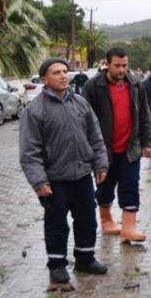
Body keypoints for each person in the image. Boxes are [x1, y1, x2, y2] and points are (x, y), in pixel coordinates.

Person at [19, 58, 109, 284]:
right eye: (56, 72)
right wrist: (39, 182)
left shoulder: (80, 103)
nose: (62, 76)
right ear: (44, 79)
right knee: (57, 224)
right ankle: (57, 265)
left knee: (87, 220)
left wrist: (100, 164)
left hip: (82, 176)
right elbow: (29, 151)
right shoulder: (35, 110)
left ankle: (85, 259)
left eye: (65, 72)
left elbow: (95, 137)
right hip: (54, 180)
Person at [82, 47, 151, 243]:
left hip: (130, 148)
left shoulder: (136, 85)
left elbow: (145, 114)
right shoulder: (92, 87)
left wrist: (148, 142)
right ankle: (106, 221)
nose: (122, 70)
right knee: (105, 187)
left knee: (130, 186)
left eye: (125, 65)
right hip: (104, 150)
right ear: (107, 64)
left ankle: (129, 227)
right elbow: (84, 120)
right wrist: (89, 150)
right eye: (117, 66)